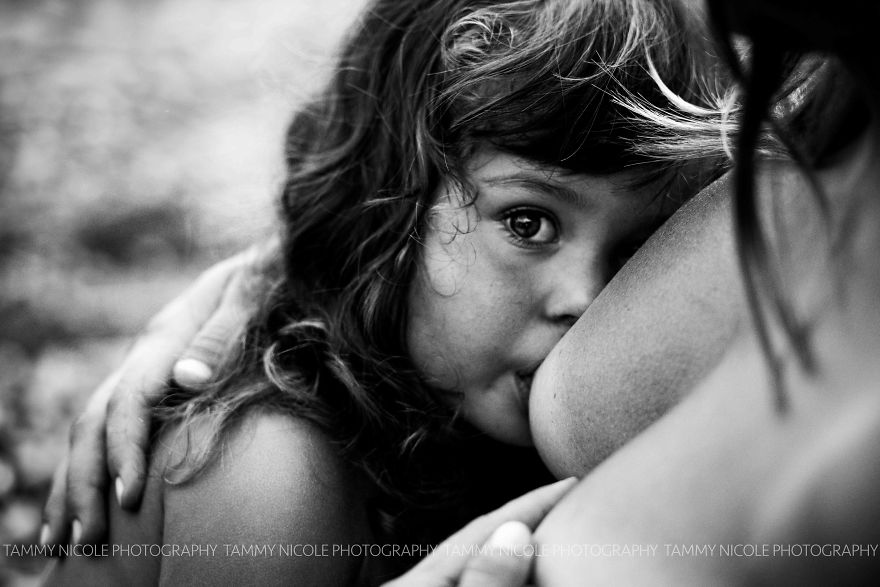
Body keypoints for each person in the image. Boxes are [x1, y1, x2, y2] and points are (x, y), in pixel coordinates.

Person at [41, 0, 735, 584]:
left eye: (637, 250)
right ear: (388, 204)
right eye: (529, 223)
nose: (586, 298)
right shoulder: (272, 471)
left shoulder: (483, 426)